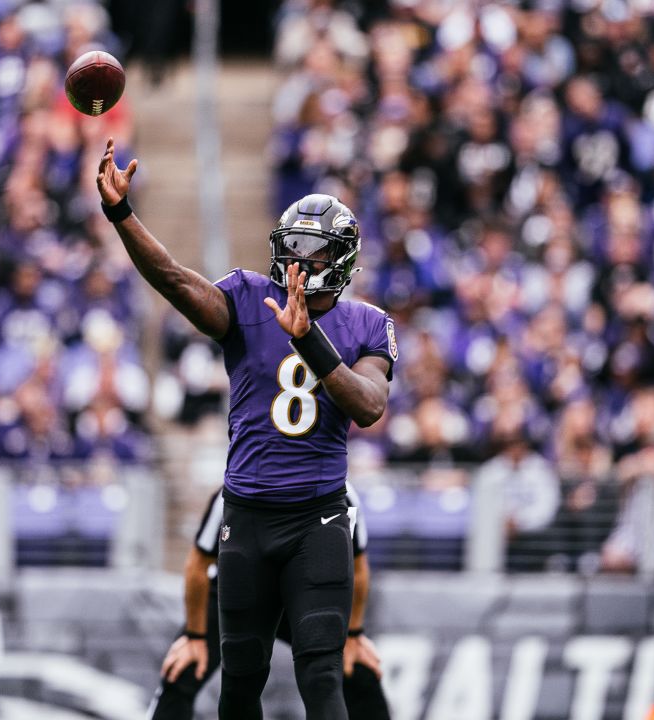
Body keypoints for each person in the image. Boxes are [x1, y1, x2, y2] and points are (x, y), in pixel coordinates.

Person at [97, 139, 397, 720]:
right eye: (291, 253)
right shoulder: (247, 297)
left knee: (321, 676)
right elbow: (178, 283)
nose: (296, 268)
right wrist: (122, 216)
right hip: (248, 516)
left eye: (311, 256)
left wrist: (307, 335)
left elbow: (367, 405)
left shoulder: (368, 324)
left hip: (319, 518)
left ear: (340, 259)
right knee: (239, 682)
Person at [148, 484, 390, 720]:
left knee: (347, 670)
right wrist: (194, 636)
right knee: (185, 669)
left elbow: (357, 566)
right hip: (241, 590)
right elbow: (198, 565)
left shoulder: (339, 491)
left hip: (305, 591)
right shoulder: (234, 490)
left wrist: (354, 633)